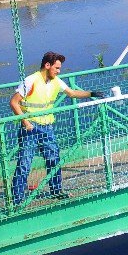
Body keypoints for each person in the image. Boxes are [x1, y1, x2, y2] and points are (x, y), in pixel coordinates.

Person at [10, 51, 104, 204]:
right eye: (57, 68)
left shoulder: (56, 81)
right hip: (30, 129)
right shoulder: (30, 81)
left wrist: (91, 93)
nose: (59, 71)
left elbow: (72, 93)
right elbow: (14, 102)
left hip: (47, 128)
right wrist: (25, 122)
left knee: (53, 160)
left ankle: (56, 191)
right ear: (47, 65)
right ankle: (17, 200)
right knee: (24, 164)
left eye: (59, 68)